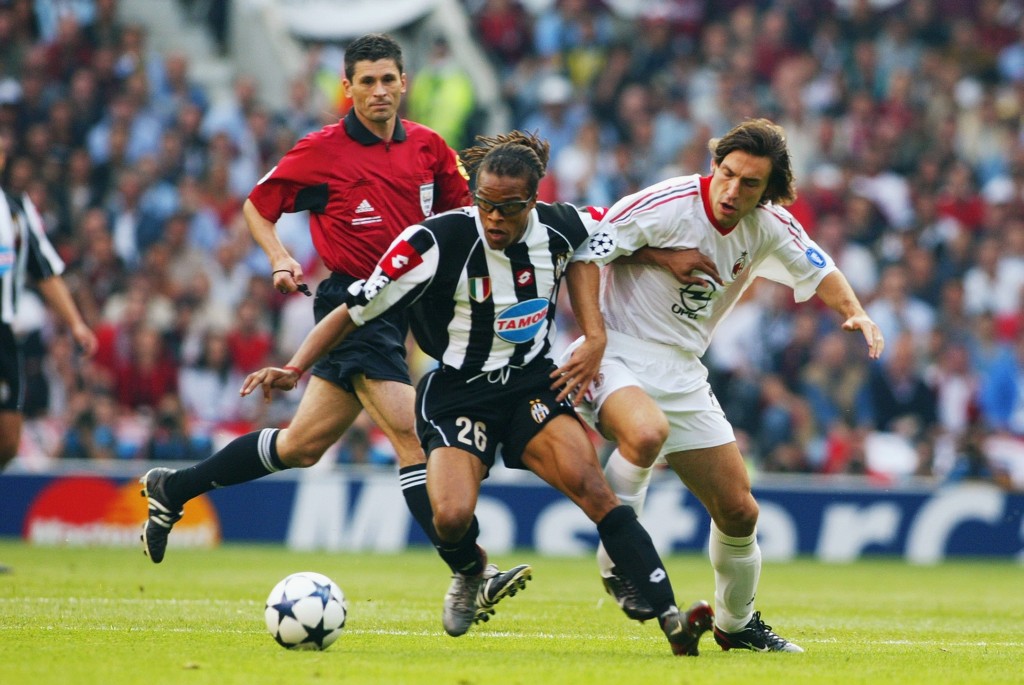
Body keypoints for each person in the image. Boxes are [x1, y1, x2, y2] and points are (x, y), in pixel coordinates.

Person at [239, 131, 715, 654]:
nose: (493, 219)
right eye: (484, 204)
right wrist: (294, 367)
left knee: (595, 491)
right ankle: (470, 571)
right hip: (458, 393)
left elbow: (615, 238)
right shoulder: (431, 242)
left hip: (531, 385)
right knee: (450, 516)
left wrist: (664, 258)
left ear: (532, 202)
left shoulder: (562, 224)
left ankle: (672, 620)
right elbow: (351, 312)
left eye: (508, 209)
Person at [138, 33, 528, 610]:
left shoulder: (428, 148)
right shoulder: (321, 151)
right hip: (353, 306)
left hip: (410, 307)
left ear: (404, 83)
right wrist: (279, 257)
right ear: (347, 88)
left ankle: (174, 488)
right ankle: (473, 570)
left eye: (387, 80)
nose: (378, 91)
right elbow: (257, 204)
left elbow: (465, 220)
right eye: (365, 82)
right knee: (411, 438)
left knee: (300, 446)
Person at [575, 118, 885, 653]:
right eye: (728, 174)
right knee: (645, 435)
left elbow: (819, 267)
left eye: (749, 184)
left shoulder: (768, 226)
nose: (732, 190)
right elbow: (584, 245)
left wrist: (855, 311)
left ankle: (736, 625)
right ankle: (622, 566)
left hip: (683, 369)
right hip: (617, 349)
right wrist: (615, 313)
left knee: (740, 511)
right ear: (714, 165)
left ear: (768, 190)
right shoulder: (667, 200)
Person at [1, 129, 98, 572]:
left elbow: (45, 270)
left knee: (7, 439)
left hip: (5, 333)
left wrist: (76, 322)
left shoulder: (16, 209)